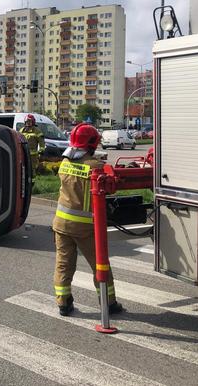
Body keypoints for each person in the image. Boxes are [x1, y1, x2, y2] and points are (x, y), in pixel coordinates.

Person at [53, 122, 123, 316]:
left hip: (61, 224)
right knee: (100, 266)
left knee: (63, 264)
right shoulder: (96, 168)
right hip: (84, 227)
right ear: (92, 144)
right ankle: (108, 303)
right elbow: (111, 183)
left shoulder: (64, 164)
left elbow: (80, 163)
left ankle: (63, 303)